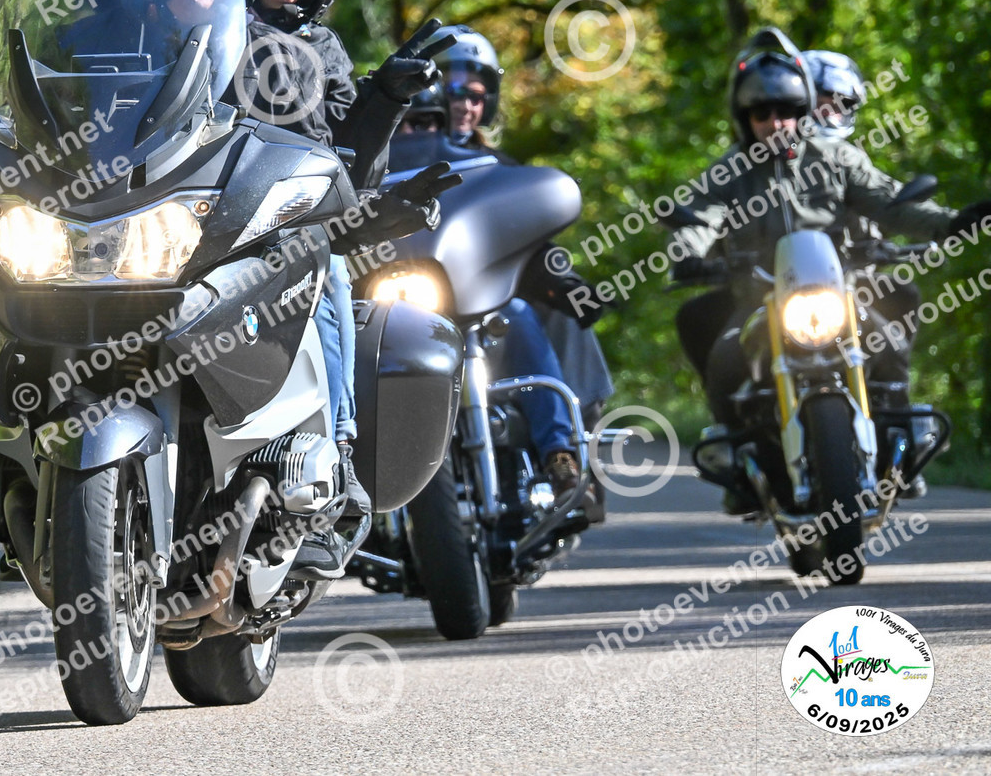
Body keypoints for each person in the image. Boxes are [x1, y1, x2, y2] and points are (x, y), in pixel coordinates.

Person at [145, 0, 446, 574]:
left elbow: (348, 175)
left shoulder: (321, 50)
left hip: (271, 231)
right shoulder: (174, 25)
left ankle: (337, 467)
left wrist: (385, 99)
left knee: (324, 263)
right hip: (169, 223)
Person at [669, 30, 991, 510]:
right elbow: (702, 218)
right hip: (760, 299)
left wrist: (953, 222)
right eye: (762, 113)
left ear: (803, 111)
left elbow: (890, 203)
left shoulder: (837, 158)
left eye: (787, 111)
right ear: (744, 118)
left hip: (840, 291)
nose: (775, 123)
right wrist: (687, 251)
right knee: (725, 359)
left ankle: (900, 447)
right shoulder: (728, 172)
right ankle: (740, 462)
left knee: (888, 337)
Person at [413, 27, 604, 499]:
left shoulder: (497, 169)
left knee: (522, 313)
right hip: (408, 302)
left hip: (481, 307)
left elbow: (531, 241)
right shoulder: (390, 160)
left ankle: (563, 452)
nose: (465, 105)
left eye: (476, 96)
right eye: (454, 91)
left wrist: (563, 280)